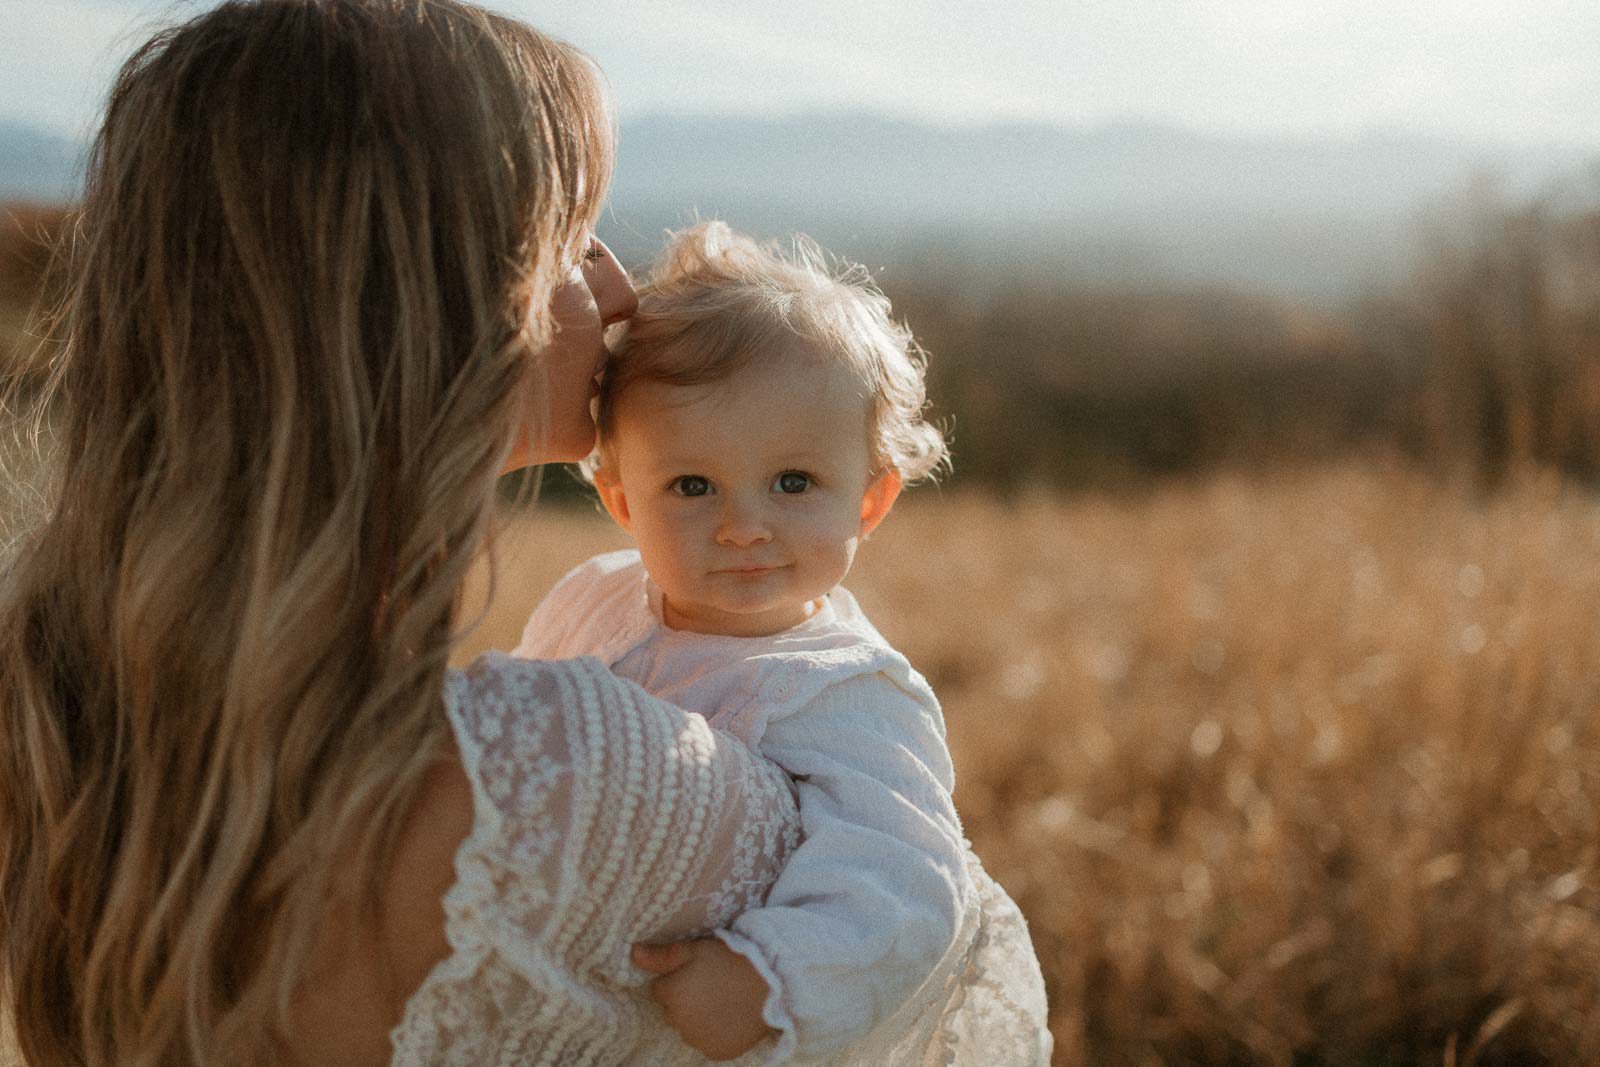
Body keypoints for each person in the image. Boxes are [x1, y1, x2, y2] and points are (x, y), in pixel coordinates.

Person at [0, 2, 808, 1064]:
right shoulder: (572, 779)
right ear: (449, 297)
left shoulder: (53, 700)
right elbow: (928, 981)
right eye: (577, 236)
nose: (619, 291)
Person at [514, 221, 1052, 1063]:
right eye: (692, 485)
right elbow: (522, 742)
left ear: (869, 502)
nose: (743, 526)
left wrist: (770, 976)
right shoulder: (591, 598)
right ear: (622, 501)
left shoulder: (842, 690)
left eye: (793, 482)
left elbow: (906, 880)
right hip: (571, 996)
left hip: (706, 1028)